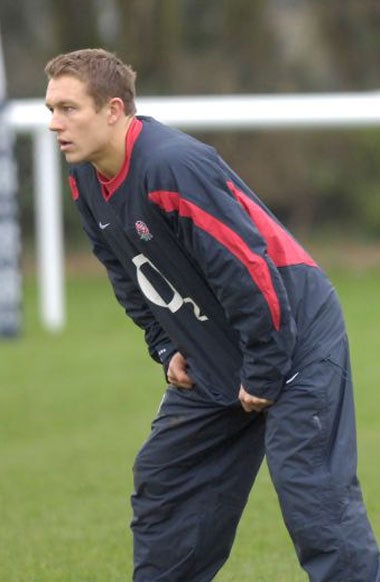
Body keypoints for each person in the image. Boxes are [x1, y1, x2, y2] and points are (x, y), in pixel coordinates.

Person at [44, 48, 379, 581]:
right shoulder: (85, 177)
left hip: (291, 338)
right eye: (51, 110)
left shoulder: (172, 165)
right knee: (167, 482)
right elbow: (124, 269)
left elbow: (249, 272)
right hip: (215, 348)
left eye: (68, 109)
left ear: (113, 109)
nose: (55, 124)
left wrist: (265, 370)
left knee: (314, 502)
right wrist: (164, 343)